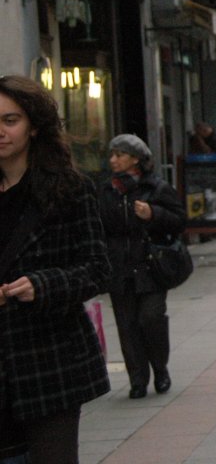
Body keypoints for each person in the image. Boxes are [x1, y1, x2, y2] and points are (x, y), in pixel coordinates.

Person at [0, 75, 111, 463]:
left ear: (33, 127)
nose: (0, 131)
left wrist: (42, 285)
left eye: (10, 120)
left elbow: (98, 269)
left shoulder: (69, 190)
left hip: (48, 360)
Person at [98, 134, 184, 399]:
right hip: (119, 268)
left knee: (151, 319)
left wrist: (153, 214)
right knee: (127, 326)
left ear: (135, 159)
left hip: (150, 268)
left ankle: (160, 369)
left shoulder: (156, 188)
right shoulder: (107, 191)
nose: (113, 160)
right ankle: (137, 379)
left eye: (120, 155)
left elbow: (180, 220)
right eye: (112, 155)